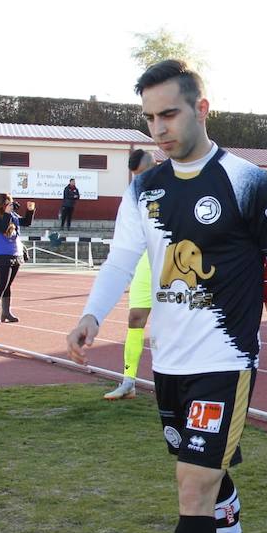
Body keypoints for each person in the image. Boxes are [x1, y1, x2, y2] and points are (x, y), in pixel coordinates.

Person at [65, 60, 267, 533]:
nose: (158, 129)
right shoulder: (145, 189)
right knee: (209, 472)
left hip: (224, 361)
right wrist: (92, 314)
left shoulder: (248, 182)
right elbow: (119, 261)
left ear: (201, 110)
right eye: (149, 118)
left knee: (194, 483)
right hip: (170, 363)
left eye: (169, 114)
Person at [104, 150, 156, 401]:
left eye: (142, 175)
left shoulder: (177, 185)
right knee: (135, 318)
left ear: (155, 166)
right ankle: (128, 381)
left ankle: (177, 381)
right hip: (144, 262)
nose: (139, 180)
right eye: (135, 177)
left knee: (173, 325)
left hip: (174, 262)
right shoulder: (134, 194)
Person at [0, 195, 34, 324]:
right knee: (2, 283)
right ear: (1, 204)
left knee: (8, 285)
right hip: (2, 252)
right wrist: (7, 213)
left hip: (15, 252)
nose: (9, 206)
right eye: (7, 203)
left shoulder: (12, 215)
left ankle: (6, 312)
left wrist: (30, 210)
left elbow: (26, 222)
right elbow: (2, 228)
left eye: (11, 203)